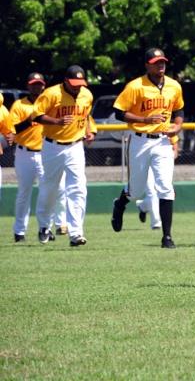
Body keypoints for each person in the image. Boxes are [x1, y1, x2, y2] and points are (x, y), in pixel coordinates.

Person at [110, 48, 184, 248]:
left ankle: (167, 236)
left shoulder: (174, 85)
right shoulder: (135, 86)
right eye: (155, 62)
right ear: (147, 65)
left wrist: (176, 126)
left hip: (163, 142)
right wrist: (145, 119)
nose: (160, 65)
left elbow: (179, 110)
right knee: (137, 190)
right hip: (140, 140)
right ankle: (120, 203)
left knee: (166, 187)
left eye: (163, 62)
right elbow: (118, 113)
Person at [32, 66, 95, 246]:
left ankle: (76, 232)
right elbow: (36, 116)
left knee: (78, 188)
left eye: (80, 83)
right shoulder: (52, 94)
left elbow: (86, 115)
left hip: (75, 146)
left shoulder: (86, 95)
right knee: (50, 188)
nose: (77, 87)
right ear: (66, 81)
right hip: (52, 146)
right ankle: (44, 225)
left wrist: (88, 131)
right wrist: (57, 121)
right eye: (74, 83)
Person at [9, 73, 65, 242]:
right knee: (24, 193)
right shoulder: (19, 105)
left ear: (44, 86)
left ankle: (46, 228)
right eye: (33, 84)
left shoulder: (49, 104)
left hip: (45, 153)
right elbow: (13, 129)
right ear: (28, 86)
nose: (36, 87)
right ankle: (19, 231)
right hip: (24, 153)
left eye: (39, 84)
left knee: (51, 191)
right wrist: (32, 118)